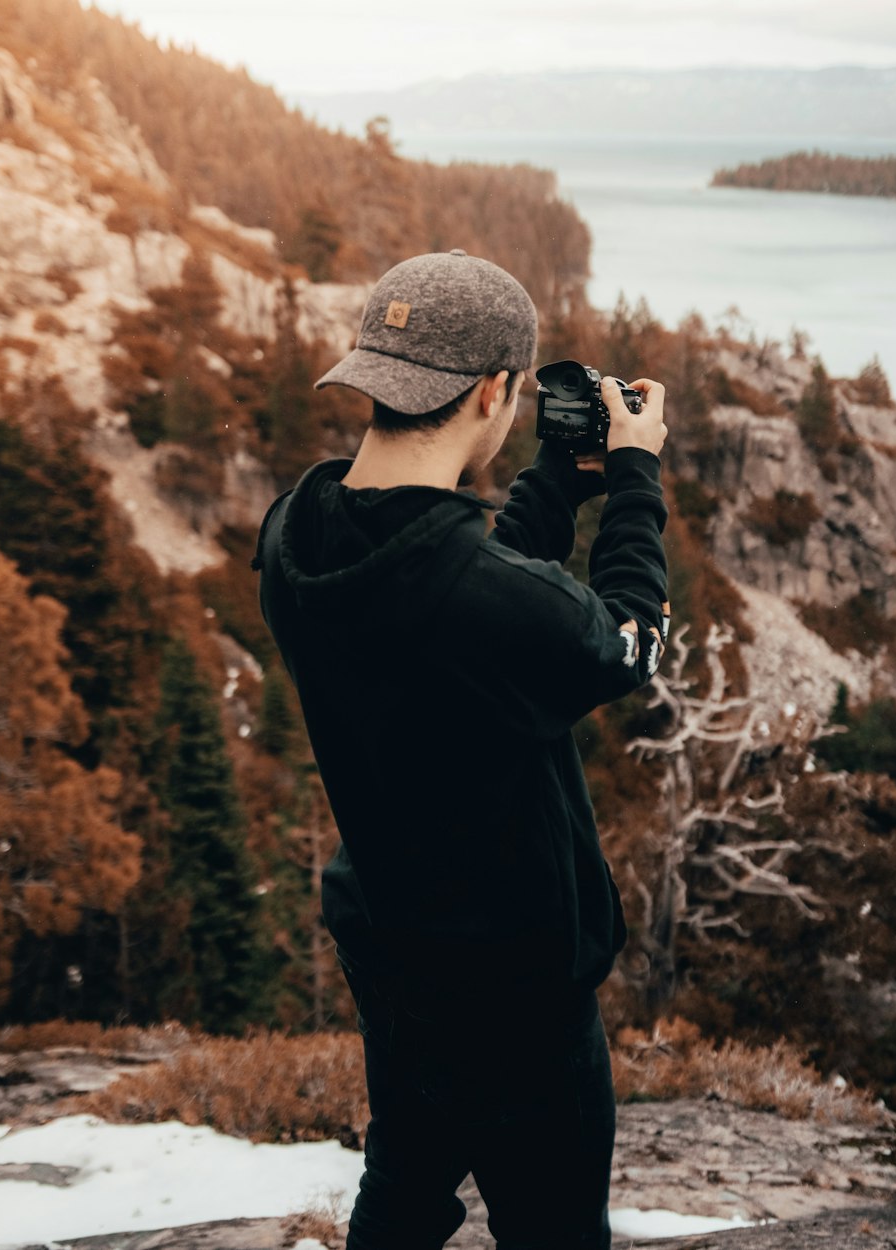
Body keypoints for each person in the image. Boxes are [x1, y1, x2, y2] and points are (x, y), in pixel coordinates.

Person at [253, 249, 669, 1250]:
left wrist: (552, 487)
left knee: (403, 1187)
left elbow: (455, 572)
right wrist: (635, 481)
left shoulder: (295, 536)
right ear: (494, 390)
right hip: (518, 973)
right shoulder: (479, 594)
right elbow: (623, 640)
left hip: (393, 941)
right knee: (554, 1224)